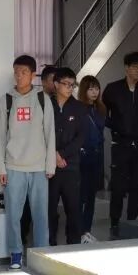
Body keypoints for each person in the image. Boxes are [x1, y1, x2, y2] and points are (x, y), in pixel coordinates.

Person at [0, 55, 55, 270]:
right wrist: (0, 168)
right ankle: (16, 253)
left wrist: (50, 165)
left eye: (23, 72)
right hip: (13, 167)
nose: (19, 76)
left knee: (41, 214)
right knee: (14, 215)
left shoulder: (42, 99)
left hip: (39, 167)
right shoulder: (6, 100)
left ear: (32, 74)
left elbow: (50, 133)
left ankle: (41, 254)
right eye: (16, 72)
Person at [102, 51, 138, 238]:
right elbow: (102, 112)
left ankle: (132, 220)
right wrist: (115, 127)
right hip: (120, 144)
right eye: (135, 67)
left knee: (137, 185)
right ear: (126, 68)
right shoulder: (113, 89)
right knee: (118, 185)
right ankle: (115, 222)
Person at [49, 67, 84, 246]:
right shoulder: (45, 105)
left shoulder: (79, 108)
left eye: (72, 85)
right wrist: (53, 155)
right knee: (49, 208)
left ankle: (73, 245)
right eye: (66, 84)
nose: (70, 88)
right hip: (49, 167)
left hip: (71, 165)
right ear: (56, 84)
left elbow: (81, 137)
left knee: (73, 208)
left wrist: (61, 154)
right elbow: (40, 134)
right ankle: (50, 244)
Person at [77, 75, 106, 243]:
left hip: (97, 155)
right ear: (84, 90)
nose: (95, 92)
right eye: (90, 89)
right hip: (83, 157)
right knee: (81, 196)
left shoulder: (100, 108)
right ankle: (80, 231)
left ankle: (87, 231)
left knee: (91, 197)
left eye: (97, 88)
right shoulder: (78, 108)